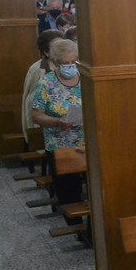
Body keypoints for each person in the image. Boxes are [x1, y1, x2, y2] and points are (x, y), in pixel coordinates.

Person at [30, 40, 85, 225]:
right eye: (66, 63)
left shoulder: (85, 79)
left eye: (74, 62)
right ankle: (74, 223)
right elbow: (36, 115)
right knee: (68, 188)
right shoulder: (46, 84)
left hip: (86, 141)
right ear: (56, 62)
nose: (70, 66)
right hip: (60, 143)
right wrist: (56, 122)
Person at [22, 30, 65, 144]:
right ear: (46, 52)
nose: (60, 50)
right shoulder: (37, 70)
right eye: (55, 47)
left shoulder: (71, 66)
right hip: (46, 122)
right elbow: (30, 100)